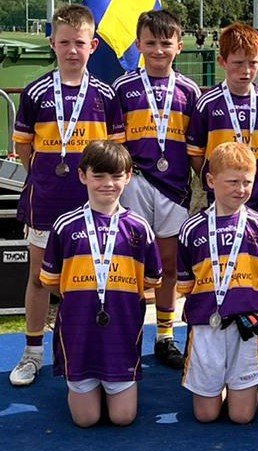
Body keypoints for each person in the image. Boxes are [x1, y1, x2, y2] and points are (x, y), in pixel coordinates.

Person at [10, 4, 125, 386]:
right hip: (47, 199)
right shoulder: (36, 92)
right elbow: (24, 148)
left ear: (93, 45)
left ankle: (85, 349)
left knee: (93, 277)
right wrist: (47, 175)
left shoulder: (106, 95)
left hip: (94, 204)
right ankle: (32, 353)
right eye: (64, 43)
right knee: (40, 278)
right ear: (52, 44)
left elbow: (115, 152)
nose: (72, 50)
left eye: (79, 42)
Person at [39, 140, 161, 427]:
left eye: (116, 176)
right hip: (78, 332)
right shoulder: (65, 226)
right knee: (86, 420)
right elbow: (53, 283)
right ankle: (85, 384)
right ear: (83, 176)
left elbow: (150, 281)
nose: (108, 183)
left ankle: (112, 384)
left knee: (122, 418)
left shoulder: (139, 228)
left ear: (128, 177)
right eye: (99, 176)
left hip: (121, 333)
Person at [113, 9, 201, 369]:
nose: (158, 50)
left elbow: (195, 145)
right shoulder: (123, 87)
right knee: (131, 264)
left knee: (168, 264)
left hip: (174, 188)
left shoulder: (189, 90)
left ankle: (165, 336)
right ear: (138, 45)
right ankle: (127, 333)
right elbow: (115, 141)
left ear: (179, 46)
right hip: (135, 182)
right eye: (150, 43)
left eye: (166, 43)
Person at [177, 142, 258, 423]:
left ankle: (240, 386)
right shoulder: (192, 228)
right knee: (205, 416)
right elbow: (186, 284)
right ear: (211, 181)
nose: (240, 189)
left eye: (247, 182)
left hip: (247, 327)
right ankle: (219, 384)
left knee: (242, 417)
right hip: (206, 326)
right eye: (232, 182)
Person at [187, 22, 258, 221]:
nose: (246, 70)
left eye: (252, 63)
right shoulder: (207, 104)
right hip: (219, 201)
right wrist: (218, 182)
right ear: (222, 62)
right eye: (238, 63)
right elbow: (196, 154)